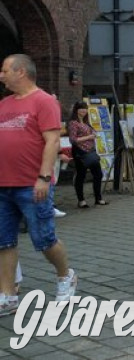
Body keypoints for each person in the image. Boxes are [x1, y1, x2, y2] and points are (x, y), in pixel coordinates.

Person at [0, 54, 77, 315]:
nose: (1, 75)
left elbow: (52, 142)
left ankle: (66, 276)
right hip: (2, 185)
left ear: (21, 72)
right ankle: (8, 295)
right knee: (4, 241)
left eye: (5, 70)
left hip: (31, 184)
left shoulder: (43, 101)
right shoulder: (4, 104)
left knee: (44, 239)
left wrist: (44, 177)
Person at [67, 101, 107, 208]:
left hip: (91, 151)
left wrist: (94, 134)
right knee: (81, 175)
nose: (83, 111)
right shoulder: (73, 123)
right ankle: (81, 200)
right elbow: (73, 139)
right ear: (76, 110)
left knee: (98, 174)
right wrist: (89, 137)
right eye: (81, 108)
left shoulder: (86, 121)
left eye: (85, 108)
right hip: (80, 152)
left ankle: (98, 198)